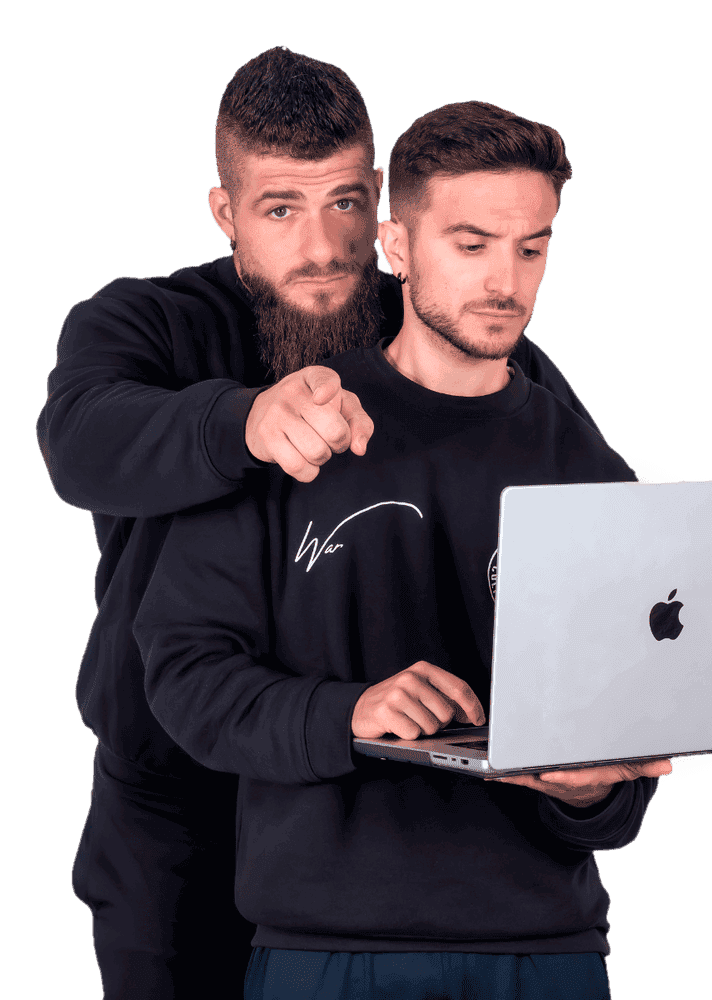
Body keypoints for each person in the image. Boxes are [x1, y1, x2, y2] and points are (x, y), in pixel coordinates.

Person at [36, 47, 613, 1000]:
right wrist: (242, 423)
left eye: (343, 202)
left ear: (379, 201)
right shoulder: (145, 322)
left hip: (384, 825)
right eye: (279, 209)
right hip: (176, 800)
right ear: (225, 211)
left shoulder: (451, 327)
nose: (321, 246)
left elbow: (587, 526)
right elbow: (81, 444)